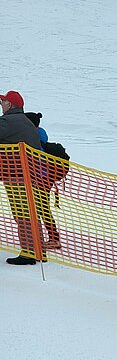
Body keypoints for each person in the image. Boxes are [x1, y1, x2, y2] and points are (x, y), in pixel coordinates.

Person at [0, 90, 45, 265]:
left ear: (9, 105)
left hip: (16, 176)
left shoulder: (7, 122)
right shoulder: (26, 121)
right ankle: (39, 250)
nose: (1, 104)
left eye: (3, 102)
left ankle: (29, 253)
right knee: (31, 211)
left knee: (22, 213)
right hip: (30, 175)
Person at [25, 111, 61, 249]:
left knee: (42, 208)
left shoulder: (36, 137)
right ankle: (47, 236)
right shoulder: (40, 134)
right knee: (40, 207)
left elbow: (38, 161)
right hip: (43, 178)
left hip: (42, 178)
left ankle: (54, 238)